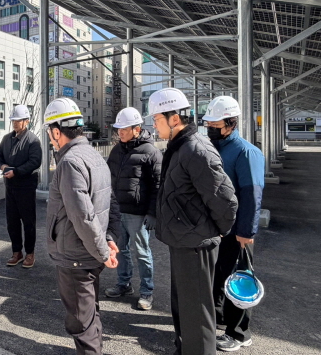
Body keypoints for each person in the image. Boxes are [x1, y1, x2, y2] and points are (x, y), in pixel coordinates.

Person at [148, 88, 238, 355]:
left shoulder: (196, 149)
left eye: (156, 119)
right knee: (184, 306)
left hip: (196, 243)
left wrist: (218, 231)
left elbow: (225, 200)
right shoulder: (179, 147)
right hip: (183, 240)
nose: (153, 125)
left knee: (197, 311)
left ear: (174, 118)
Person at [44, 97, 120, 355]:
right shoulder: (94, 155)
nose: (50, 138)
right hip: (90, 253)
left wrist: (103, 251)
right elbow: (107, 204)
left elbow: (84, 217)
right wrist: (108, 240)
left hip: (76, 256)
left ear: (57, 132)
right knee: (89, 314)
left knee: (81, 323)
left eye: (50, 132)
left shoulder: (69, 162)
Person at [202, 96, 265, 352]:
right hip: (219, 227)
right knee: (220, 275)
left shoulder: (246, 152)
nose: (210, 128)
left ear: (230, 123)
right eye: (208, 124)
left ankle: (239, 333)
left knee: (240, 279)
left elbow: (251, 195)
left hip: (238, 230)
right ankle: (220, 317)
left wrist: (246, 231)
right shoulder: (216, 147)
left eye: (215, 124)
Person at [104, 107, 162, 311]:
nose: (119, 132)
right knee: (120, 250)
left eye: (124, 129)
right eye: (118, 129)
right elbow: (108, 178)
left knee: (142, 253)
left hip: (138, 213)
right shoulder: (116, 151)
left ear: (136, 129)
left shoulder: (150, 152)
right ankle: (123, 284)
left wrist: (152, 213)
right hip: (117, 210)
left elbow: (158, 185)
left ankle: (147, 291)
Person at [0, 104, 42, 268]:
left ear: (26, 121)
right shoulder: (6, 139)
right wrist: (3, 166)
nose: (15, 123)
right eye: (13, 120)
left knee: (28, 221)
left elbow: (35, 162)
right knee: (12, 221)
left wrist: (16, 171)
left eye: (18, 120)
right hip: (10, 186)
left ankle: (30, 253)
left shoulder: (32, 140)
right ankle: (17, 252)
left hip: (26, 186)